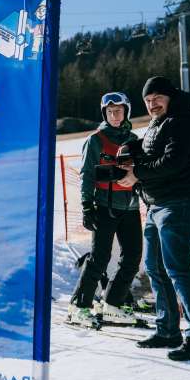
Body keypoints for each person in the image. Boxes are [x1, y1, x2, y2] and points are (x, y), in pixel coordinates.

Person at [117, 76, 190, 361]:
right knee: (156, 268)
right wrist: (132, 152)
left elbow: (172, 162)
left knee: (177, 267)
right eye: (148, 101)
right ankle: (168, 329)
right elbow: (152, 153)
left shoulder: (183, 119)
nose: (152, 104)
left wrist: (137, 173)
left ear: (170, 96)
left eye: (157, 98)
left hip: (180, 201)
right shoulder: (158, 123)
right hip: (156, 202)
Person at [68, 92, 142, 327]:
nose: (114, 115)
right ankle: (79, 307)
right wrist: (87, 206)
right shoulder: (95, 140)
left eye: (118, 111)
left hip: (130, 206)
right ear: (104, 114)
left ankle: (112, 303)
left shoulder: (133, 139)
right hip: (104, 206)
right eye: (110, 112)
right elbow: (87, 175)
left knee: (132, 257)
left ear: (126, 112)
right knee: (100, 257)